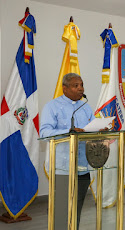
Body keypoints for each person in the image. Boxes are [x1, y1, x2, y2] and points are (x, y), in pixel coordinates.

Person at [40, 73, 94, 229]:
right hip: (62, 168)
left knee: (77, 208)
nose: (80, 89)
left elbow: (90, 129)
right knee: (61, 209)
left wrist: (100, 130)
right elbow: (44, 133)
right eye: (76, 85)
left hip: (83, 166)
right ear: (64, 88)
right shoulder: (52, 106)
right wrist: (68, 131)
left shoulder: (85, 106)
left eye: (81, 85)